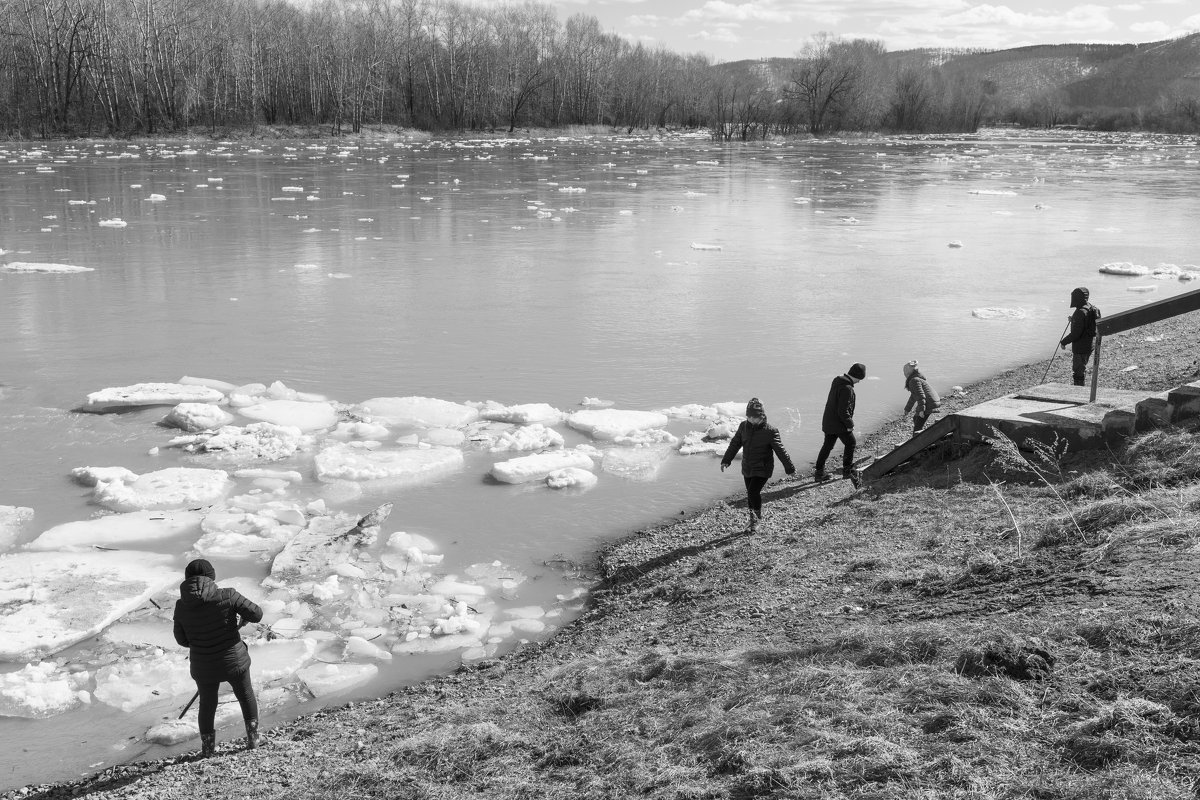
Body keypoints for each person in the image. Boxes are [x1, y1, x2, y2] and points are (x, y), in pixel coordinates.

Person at [173, 558, 263, 758]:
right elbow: (257, 614)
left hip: (203, 665)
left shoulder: (181, 605)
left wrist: (201, 640)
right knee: (245, 694)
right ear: (212, 577)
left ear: (187, 579)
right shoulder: (228, 595)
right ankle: (254, 739)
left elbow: (181, 640)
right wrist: (240, 617)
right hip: (234, 660)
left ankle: (207, 750)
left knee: (207, 704)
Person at [720, 397, 796, 531]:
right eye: (748, 416)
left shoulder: (770, 431)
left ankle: (757, 519)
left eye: (754, 417)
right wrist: (726, 460)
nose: (751, 419)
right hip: (748, 466)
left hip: (763, 468)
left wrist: (789, 468)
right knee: (750, 494)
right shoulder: (743, 426)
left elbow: (780, 450)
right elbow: (735, 443)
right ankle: (752, 519)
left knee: (753, 491)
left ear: (761, 416)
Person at [815, 363, 865, 487]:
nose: (859, 382)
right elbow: (843, 410)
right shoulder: (847, 388)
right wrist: (849, 424)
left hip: (829, 421)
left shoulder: (837, 381)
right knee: (851, 443)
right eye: (860, 379)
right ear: (857, 376)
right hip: (839, 423)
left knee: (827, 446)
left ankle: (819, 472)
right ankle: (847, 471)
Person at [1059, 287, 1100, 387]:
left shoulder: (1080, 312)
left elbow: (1076, 334)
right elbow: (1088, 324)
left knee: (1078, 371)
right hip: (1090, 344)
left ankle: (1079, 391)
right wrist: (1074, 320)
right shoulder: (1092, 308)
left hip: (1080, 347)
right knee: (1082, 367)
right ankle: (1081, 387)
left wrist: (1063, 342)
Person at [902, 360, 940, 435]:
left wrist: (922, 410)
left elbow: (920, 395)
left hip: (929, 403)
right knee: (915, 418)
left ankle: (917, 442)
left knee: (917, 428)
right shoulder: (916, 378)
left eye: (904, 371)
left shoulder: (914, 380)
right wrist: (907, 409)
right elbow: (913, 396)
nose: (904, 373)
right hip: (932, 401)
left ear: (908, 371)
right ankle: (924, 434)